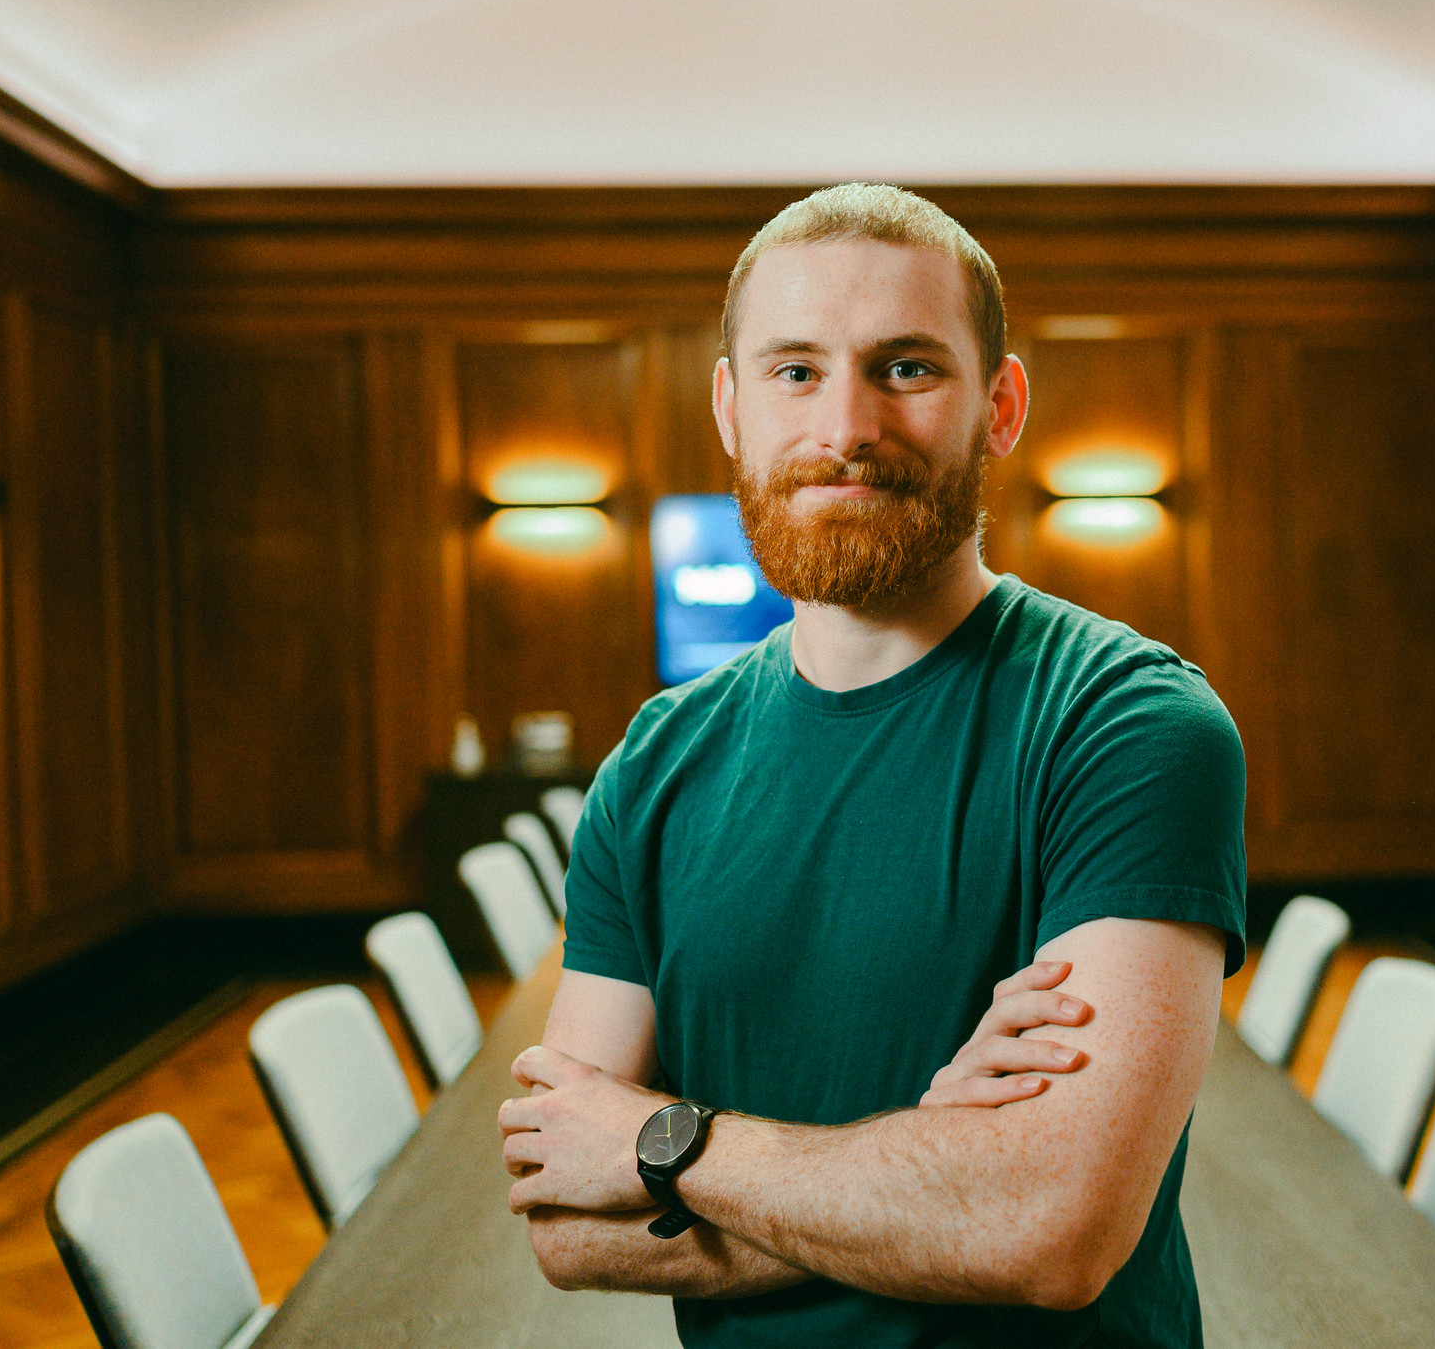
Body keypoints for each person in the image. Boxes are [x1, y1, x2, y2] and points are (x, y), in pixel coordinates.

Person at [499, 183, 1246, 1348]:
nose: (843, 425)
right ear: (730, 408)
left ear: (998, 407)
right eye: (794, 370)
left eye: (905, 368)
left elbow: (1051, 1234)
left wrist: (670, 1146)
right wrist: (938, 1160)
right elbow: (564, 1227)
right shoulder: (652, 765)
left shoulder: (1127, 724)